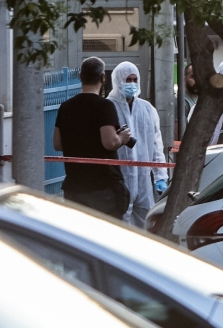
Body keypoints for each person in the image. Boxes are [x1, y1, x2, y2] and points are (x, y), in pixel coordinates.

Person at [53, 57, 131, 219]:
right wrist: (122, 137)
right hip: (102, 186)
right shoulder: (104, 106)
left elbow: (57, 144)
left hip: (74, 185)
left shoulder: (66, 106)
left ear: (80, 77)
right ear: (103, 77)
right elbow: (109, 142)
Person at [106, 62, 169, 228]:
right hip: (118, 180)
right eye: (128, 79)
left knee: (146, 224)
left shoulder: (147, 109)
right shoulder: (108, 107)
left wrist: (160, 175)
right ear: (117, 80)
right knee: (120, 226)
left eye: (135, 79)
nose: (132, 84)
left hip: (143, 180)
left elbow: (156, 144)